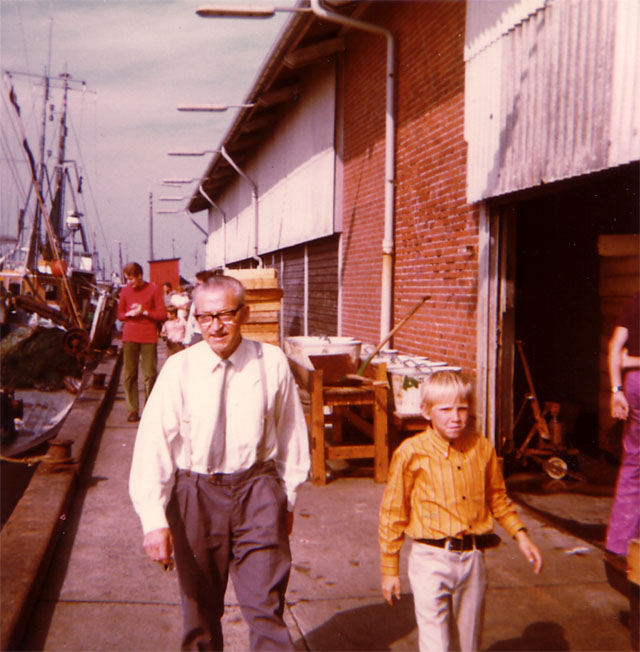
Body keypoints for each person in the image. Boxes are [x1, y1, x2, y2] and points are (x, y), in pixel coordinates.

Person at [129, 275, 310, 651]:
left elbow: (292, 435)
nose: (216, 326)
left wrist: (287, 499)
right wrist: (153, 520)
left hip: (257, 489)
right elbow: (153, 446)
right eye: (206, 317)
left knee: (265, 606)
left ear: (243, 314)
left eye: (226, 314)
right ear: (195, 319)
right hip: (196, 493)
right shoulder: (180, 369)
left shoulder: (271, 362)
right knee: (199, 612)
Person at [379, 370, 542, 652]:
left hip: (473, 558)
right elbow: (393, 514)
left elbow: (498, 497)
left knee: (469, 643)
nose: (455, 417)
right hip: (430, 559)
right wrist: (389, 568)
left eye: (462, 408)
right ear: (426, 411)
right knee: (435, 644)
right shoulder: (410, 453)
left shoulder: (481, 448)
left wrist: (521, 535)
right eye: (445, 409)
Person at [605, 291, 640, 559]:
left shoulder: (636, 300)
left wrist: (616, 389)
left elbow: (615, 346)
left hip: (634, 384)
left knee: (634, 462)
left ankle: (619, 543)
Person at [117, 262, 166, 422]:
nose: (129, 283)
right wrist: (130, 314)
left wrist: (144, 311)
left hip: (148, 335)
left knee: (150, 373)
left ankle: (149, 408)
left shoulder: (153, 289)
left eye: (131, 279)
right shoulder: (125, 291)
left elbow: (162, 314)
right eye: (127, 279)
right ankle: (132, 409)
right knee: (129, 374)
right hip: (130, 335)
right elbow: (120, 315)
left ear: (139, 276)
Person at [182, 269, 216, 347]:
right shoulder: (196, 301)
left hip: (211, 336)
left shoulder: (216, 300)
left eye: (198, 284)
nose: (195, 286)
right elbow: (191, 321)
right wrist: (187, 341)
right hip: (197, 335)